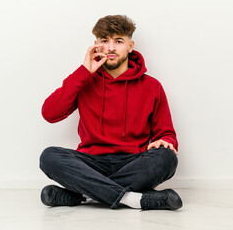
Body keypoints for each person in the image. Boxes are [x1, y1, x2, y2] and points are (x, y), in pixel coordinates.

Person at [39, 15, 182, 211]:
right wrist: (83, 72)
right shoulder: (84, 81)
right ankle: (134, 199)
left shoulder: (152, 86)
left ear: (130, 46)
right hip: (91, 162)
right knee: (49, 156)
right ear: (96, 45)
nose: (111, 48)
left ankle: (84, 194)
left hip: (133, 161)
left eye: (118, 41)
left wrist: (166, 141)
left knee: (167, 157)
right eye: (104, 41)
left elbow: (166, 133)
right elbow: (49, 113)